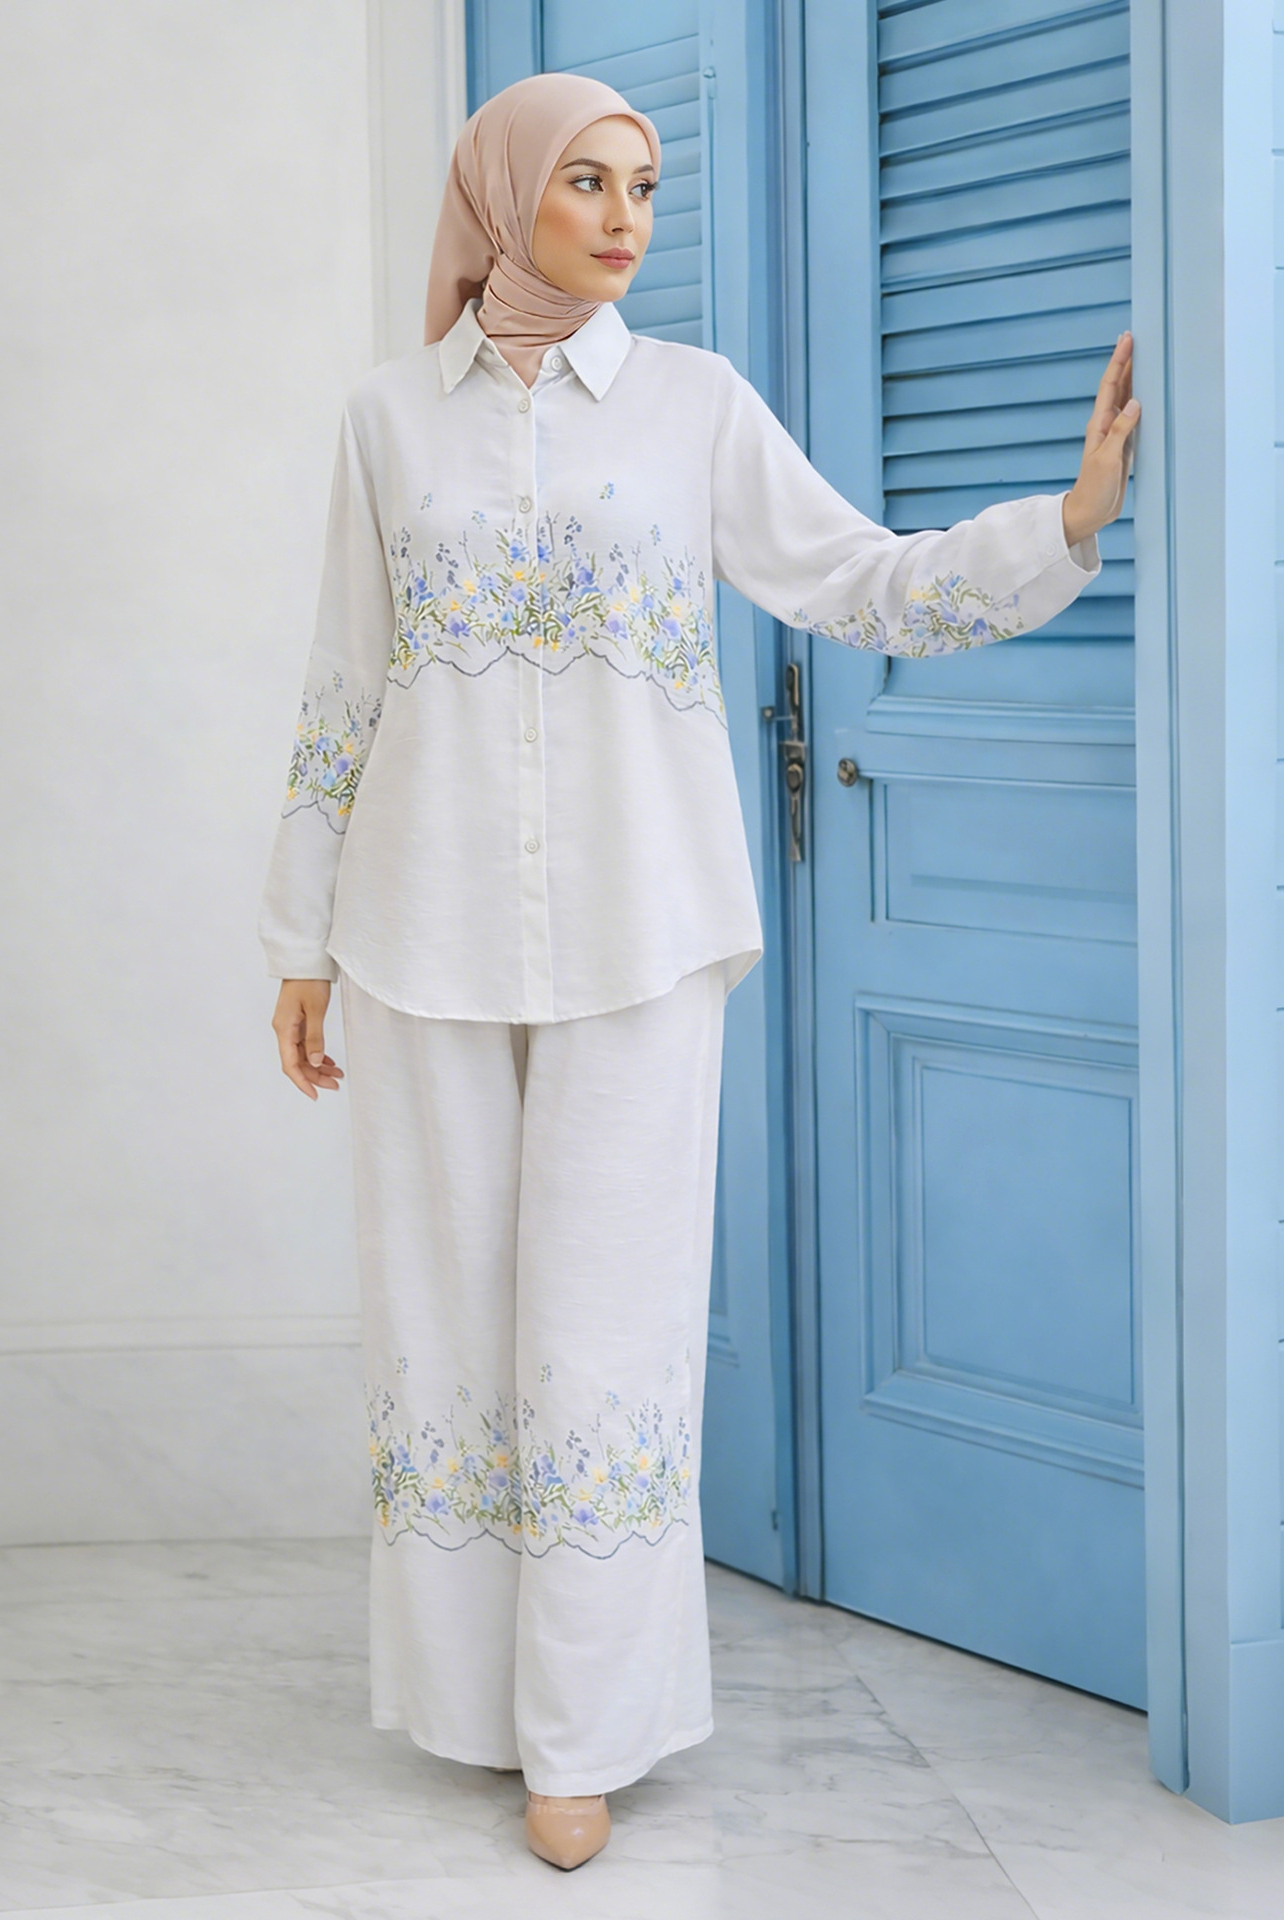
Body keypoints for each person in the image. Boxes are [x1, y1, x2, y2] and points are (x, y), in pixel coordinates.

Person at [258, 70, 1138, 1873]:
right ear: (503, 198)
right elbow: (347, 683)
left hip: (643, 926)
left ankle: (581, 1736)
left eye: (644, 187)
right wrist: (300, 941)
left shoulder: (695, 407)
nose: (625, 218)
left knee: (609, 1330)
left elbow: (857, 580)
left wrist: (1061, 525)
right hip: (418, 926)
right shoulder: (386, 421)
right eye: (586, 182)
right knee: (447, 1316)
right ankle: (474, 1703)